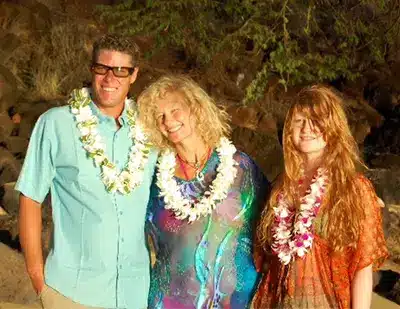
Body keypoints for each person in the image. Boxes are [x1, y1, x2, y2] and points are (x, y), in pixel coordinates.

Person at [16, 34, 158, 309]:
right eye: (101, 68)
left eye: (120, 70)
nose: (109, 79)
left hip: (136, 293)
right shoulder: (56, 123)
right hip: (73, 293)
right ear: (91, 69)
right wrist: (38, 279)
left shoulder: (149, 130)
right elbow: (30, 198)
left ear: (134, 75)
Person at [138, 75, 268, 309]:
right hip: (171, 301)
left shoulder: (240, 168)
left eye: (175, 110)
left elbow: (270, 224)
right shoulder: (156, 180)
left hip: (234, 300)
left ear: (195, 109)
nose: (168, 121)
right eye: (160, 117)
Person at [253, 85, 389, 309]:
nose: (307, 128)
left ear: (333, 127)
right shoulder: (281, 186)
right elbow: (268, 261)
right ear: (289, 130)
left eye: (316, 120)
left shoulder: (353, 188)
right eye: (299, 121)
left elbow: (362, 268)